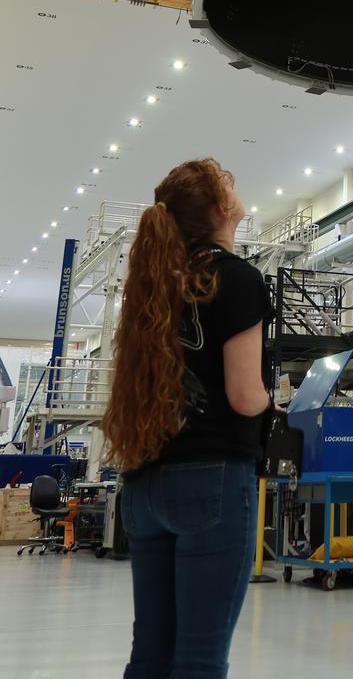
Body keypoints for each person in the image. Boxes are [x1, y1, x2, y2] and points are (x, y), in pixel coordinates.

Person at [102, 159, 272, 679]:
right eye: (230, 183)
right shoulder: (238, 279)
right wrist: (278, 402)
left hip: (145, 482)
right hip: (213, 484)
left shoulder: (155, 284)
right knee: (199, 659)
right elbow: (245, 397)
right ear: (222, 209)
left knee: (150, 655)